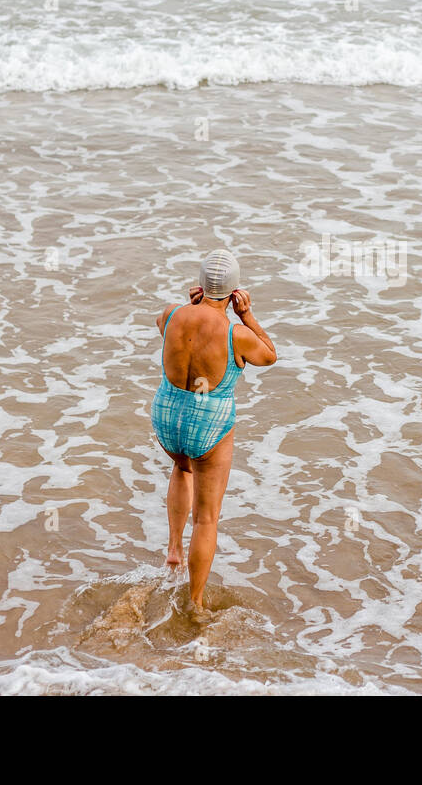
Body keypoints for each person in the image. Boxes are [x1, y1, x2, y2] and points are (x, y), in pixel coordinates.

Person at [152, 249, 276, 611]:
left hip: (166, 416)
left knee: (181, 466)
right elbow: (269, 355)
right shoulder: (237, 333)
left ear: (201, 284)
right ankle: (194, 601)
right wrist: (247, 315)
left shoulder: (172, 313)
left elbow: (165, 329)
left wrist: (194, 306)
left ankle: (173, 549)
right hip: (209, 424)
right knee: (206, 518)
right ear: (236, 290)